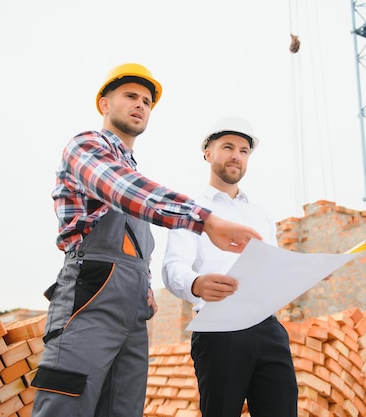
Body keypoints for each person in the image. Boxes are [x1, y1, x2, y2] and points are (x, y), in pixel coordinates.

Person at [30, 64, 262, 417]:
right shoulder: (86, 146)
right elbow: (124, 190)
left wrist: (146, 285)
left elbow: (135, 239)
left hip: (132, 310)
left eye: (146, 101)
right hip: (88, 301)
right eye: (130, 96)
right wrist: (205, 218)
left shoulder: (133, 170)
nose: (140, 104)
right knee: (67, 404)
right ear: (104, 104)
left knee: (122, 408)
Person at [162, 117, 298, 417]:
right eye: (227, 147)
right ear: (208, 153)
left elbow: (272, 270)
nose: (237, 155)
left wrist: (301, 272)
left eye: (244, 150)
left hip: (268, 328)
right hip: (219, 327)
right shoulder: (191, 209)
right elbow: (173, 267)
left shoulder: (261, 215)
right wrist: (197, 284)